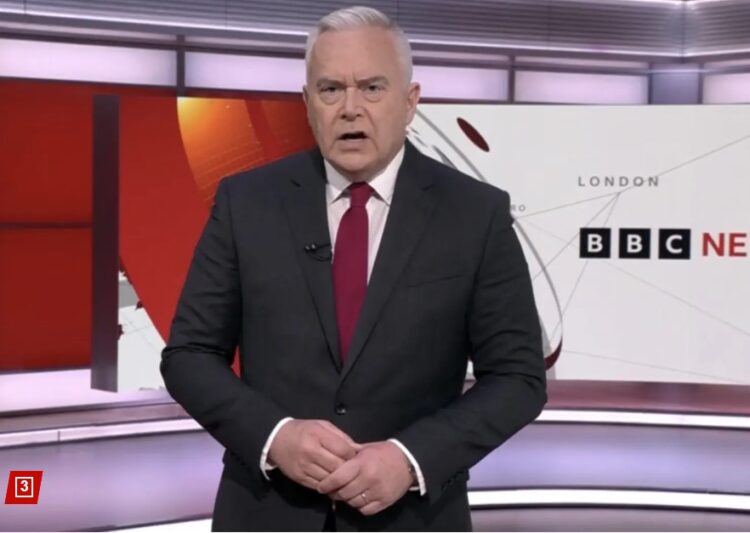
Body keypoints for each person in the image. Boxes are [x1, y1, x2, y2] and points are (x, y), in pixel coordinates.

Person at [160, 6, 546, 532]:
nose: (350, 109)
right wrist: (275, 436)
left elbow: (518, 379)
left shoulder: (476, 214)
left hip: (412, 518)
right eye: (330, 89)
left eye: (371, 88)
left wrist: (410, 459)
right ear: (307, 103)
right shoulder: (246, 203)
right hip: (268, 514)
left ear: (410, 101)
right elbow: (189, 355)